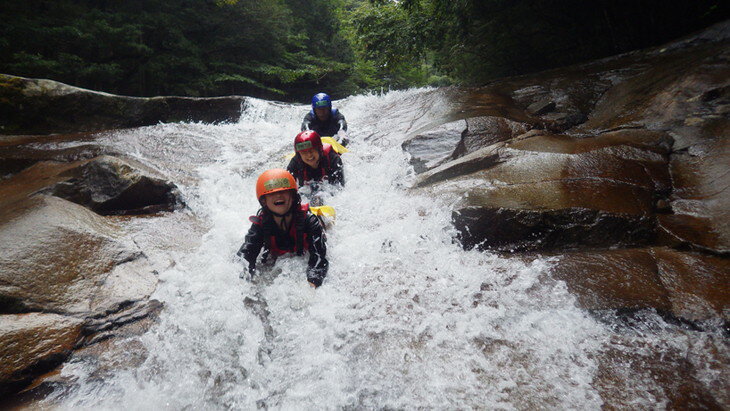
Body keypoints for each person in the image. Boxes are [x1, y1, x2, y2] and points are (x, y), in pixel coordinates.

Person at [237, 169, 328, 287]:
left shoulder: (309, 221)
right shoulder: (260, 225)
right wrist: (242, 281)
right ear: (264, 201)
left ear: (293, 196)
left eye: (284, 192)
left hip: (308, 236)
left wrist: (312, 284)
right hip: (281, 252)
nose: (279, 195)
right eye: (272, 193)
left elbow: (319, 258)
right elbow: (245, 256)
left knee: (319, 206)